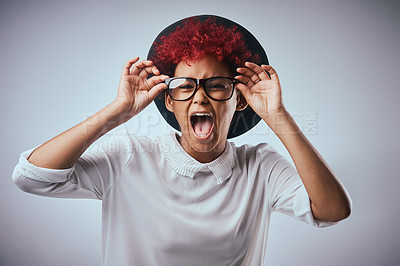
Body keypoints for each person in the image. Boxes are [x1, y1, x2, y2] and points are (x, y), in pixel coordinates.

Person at [12, 15, 351, 266]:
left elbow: (333, 210)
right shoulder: (129, 155)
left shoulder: (260, 166)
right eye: (185, 86)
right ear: (169, 100)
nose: (200, 98)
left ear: (240, 99)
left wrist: (277, 116)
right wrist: (118, 111)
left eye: (217, 84)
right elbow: (30, 176)